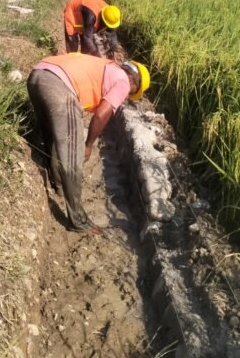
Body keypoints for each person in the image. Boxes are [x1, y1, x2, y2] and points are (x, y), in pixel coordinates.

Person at [27, 53, 150, 232]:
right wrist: (89, 144)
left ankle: (59, 184)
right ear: (134, 83)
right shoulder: (123, 81)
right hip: (59, 87)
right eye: (131, 94)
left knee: (53, 136)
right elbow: (102, 114)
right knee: (72, 154)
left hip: (37, 75)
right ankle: (78, 221)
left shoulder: (107, 67)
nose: (126, 96)